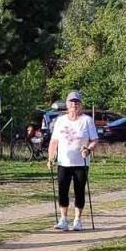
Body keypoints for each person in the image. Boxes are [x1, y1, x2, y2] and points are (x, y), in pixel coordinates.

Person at [48, 90, 99, 231]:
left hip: (81, 163)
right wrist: (50, 157)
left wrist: (88, 149)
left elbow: (95, 140)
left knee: (79, 191)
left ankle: (77, 220)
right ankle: (63, 219)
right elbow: (54, 141)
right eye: (71, 102)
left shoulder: (87, 120)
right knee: (62, 190)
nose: (74, 105)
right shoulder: (60, 120)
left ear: (81, 105)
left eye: (77, 102)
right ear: (67, 104)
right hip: (63, 162)